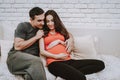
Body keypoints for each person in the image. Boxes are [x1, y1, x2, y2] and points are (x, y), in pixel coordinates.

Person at [39, 10, 105, 80]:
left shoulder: (61, 32)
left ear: (56, 20)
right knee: (81, 77)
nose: (50, 23)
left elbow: (70, 35)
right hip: (54, 63)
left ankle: (71, 73)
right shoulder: (43, 33)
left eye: (52, 20)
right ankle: (73, 74)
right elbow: (42, 51)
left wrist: (70, 40)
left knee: (100, 64)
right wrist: (56, 56)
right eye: (47, 21)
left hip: (69, 61)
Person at [7, 7, 47, 80]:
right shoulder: (23, 26)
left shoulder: (43, 29)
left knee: (29, 77)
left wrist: (70, 39)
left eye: (43, 20)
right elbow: (17, 46)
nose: (43, 23)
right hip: (15, 58)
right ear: (31, 20)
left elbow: (61, 29)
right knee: (37, 61)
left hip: (30, 63)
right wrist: (36, 37)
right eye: (39, 20)